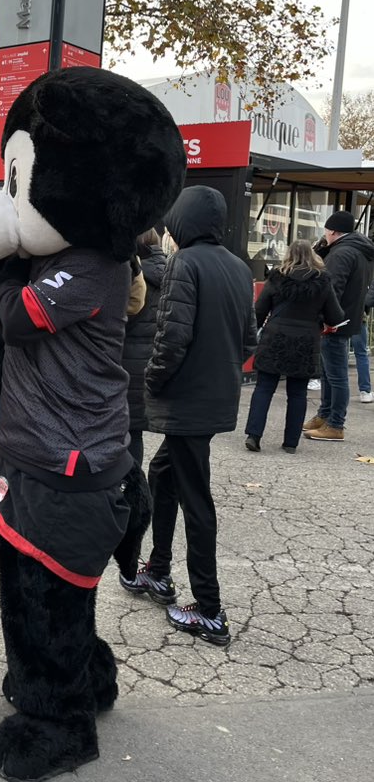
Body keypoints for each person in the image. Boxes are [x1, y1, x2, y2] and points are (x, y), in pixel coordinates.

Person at [127, 186, 256, 648]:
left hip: (185, 401)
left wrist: (154, 382)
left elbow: (171, 337)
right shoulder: (238, 267)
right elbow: (248, 340)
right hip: (212, 400)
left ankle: (209, 608)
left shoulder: (186, 263)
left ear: (182, 220)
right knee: (163, 474)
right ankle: (158, 570)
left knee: (195, 500)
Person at [244, 239, 345, 454]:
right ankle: (290, 442)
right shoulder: (322, 281)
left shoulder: (277, 277)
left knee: (263, 388)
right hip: (305, 342)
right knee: (298, 393)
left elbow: (259, 311)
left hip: (275, 338)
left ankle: (254, 435)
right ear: (312, 255)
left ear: (288, 254)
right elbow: (335, 316)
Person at [303, 211, 374, 442]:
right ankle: (325, 415)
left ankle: (335, 424)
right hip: (348, 317)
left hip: (334, 322)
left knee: (335, 375)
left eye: (326, 231)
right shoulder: (358, 250)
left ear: (332, 231)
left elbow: (331, 288)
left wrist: (325, 318)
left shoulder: (342, 253)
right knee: (330, 372)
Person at [120, 229, 167, 467]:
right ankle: (133, 485)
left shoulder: (130, 271)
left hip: (124, 358)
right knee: (135, 431)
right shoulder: (172, 273)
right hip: (150, 360)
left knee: (119, 429)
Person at [351, 278, 374, 403]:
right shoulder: (366, 268)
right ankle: (365, 391)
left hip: (340, 315)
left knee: (338, 354)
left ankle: (335, 390)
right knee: (361, 354)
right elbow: (369, 299)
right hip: (359, 316)